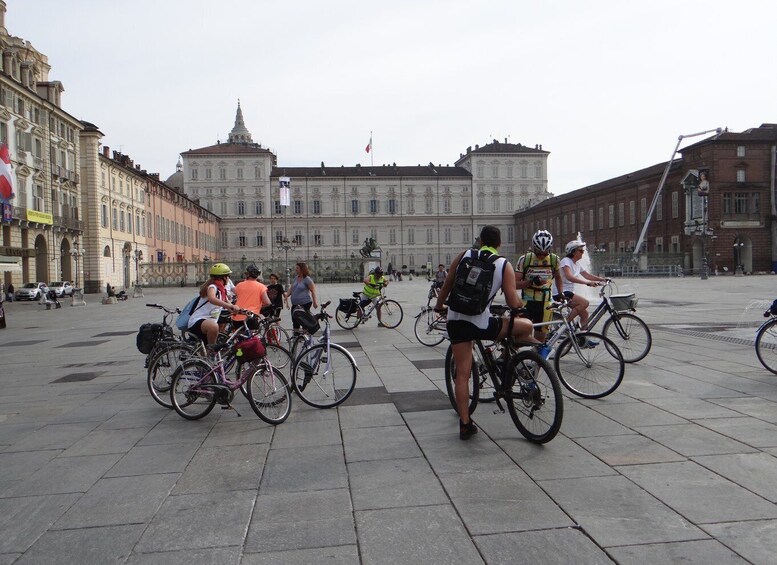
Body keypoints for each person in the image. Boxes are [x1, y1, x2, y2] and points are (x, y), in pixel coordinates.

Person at [435, 225, 539, 440]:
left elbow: (447, 284)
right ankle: (509, 360)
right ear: (499, 244)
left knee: (462, 375)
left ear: (480, 241)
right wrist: (521, 309)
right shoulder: (503, 265)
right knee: (526, 325)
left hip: (456, 321)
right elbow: (512, 300)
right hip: (482, 324)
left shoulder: (464, 255)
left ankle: (465, 424)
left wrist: (439, 306)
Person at [515, 230, 564, 341]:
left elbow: (558, 277)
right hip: (526, 302)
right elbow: (514, 284)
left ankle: (536, 357)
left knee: (540, 340)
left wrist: (561, 293)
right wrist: (530, 282)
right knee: (519, 337)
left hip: (546, 304)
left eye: (545, 253)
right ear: (533, 248)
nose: (542, 256)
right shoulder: (525, 259)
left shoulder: (554, 259)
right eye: (539, 253)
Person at [554, 240, 607, 334]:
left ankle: (583, 337)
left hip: (569, 293)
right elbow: (569, 277)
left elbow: (587, 275)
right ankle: (563, 326)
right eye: (581, 251)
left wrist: (602, 279)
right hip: (561, 292)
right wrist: (587, 283)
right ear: (573, 251)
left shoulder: (577, 264)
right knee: (585, 303)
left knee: (585, 314)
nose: (583, 252)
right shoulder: (566, 261)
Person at [187, 262, 239, 345]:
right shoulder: (213, 287)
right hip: (198, 321)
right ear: (224, 277)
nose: (229, 278)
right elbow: (212, 299)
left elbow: (229, 305)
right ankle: (212, 349)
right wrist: (228, 305)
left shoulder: (222, 291)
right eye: (229, 276)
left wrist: (238, 309)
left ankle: (208, 354)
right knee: (214, 327)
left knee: (204, 353)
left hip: (208, 321)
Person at [233, 264, 270, 330]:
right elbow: (267, 302)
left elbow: (237, 297)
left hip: (237, 316)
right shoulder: (261, 286)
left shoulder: (239, 285)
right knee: (253, 339)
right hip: (251, 316)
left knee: (240, 338)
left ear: (247, 274)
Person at [284, 262, 318, 331]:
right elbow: (292, 288)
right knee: (295, 320)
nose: (295, 269)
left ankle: (305, 336)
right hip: (295, 304)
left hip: (305, 303)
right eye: (295, 268)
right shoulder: (296, 278)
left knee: (303, 321)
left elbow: (313, 291)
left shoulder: (307, 279)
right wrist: (287, 295)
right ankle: (296, 336)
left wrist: (315, 302)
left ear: (302, 269)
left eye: (297, 268)